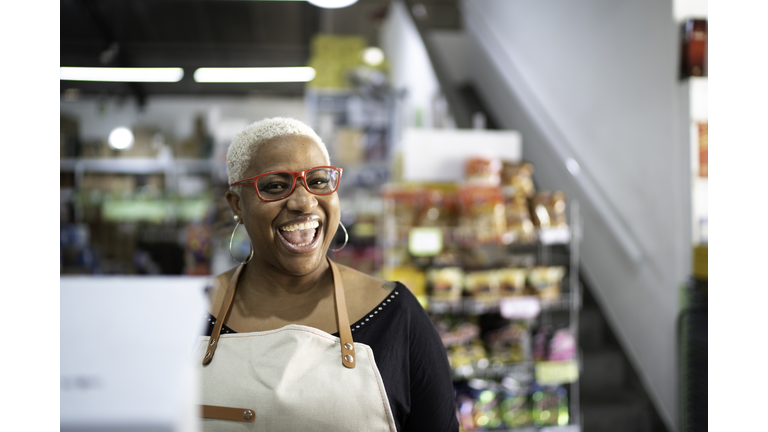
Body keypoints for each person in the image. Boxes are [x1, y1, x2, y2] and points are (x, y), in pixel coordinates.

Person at [194, 117, 459, 432]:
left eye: (318, 181)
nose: (304, 202)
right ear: (237, 203)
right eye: (276, 186)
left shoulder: (396, 314)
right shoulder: (190, 313)